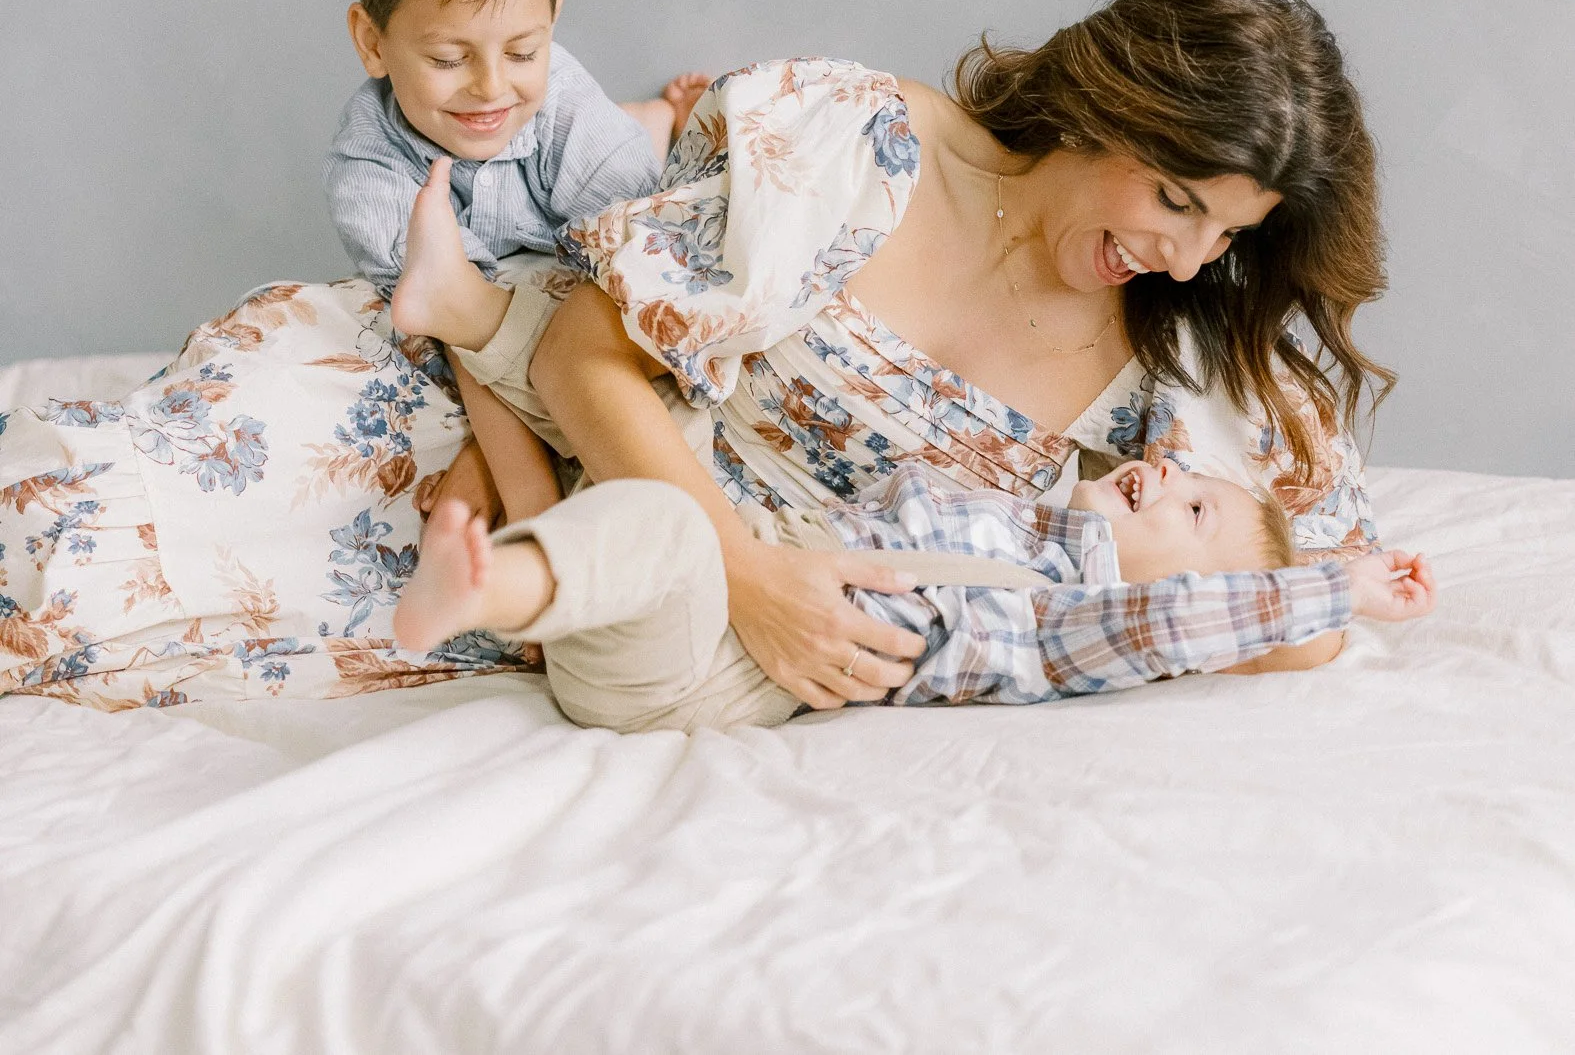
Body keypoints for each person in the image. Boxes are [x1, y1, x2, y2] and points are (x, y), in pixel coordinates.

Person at [390, 0, 1394, 711]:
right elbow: (580, 351)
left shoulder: (1171, 369)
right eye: (1175, 200)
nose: (1185, 259)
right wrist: (749, 577)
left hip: (695, 662)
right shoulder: (873, 146)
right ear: (1110, 103)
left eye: (1226, 234)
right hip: (637, 527)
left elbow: (1308, 612)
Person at [391, 458, 1434, 733]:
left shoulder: (1062, 629)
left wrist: (1328, 592)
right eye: (1186, 475)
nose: (1164, 475)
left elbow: (1180, 622)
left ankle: (477, 597)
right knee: (659, 508)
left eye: (1194, 512)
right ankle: (489, 588)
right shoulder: (1020, 519)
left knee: (666, 526)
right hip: (697, 605)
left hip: (707, 674)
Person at [323, 0, 707, 523]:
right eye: (448, 59)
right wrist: (522, 491)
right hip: (477, 296)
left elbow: (640, 269)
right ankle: (652, 120)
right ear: (372, 41)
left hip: (574, 236)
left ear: (553, 16)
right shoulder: (369, 175)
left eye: (523, 53)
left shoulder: (559, 98)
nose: (491, 87)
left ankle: (656, 124)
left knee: (674, 235)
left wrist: (514, 492)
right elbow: (460, 330)